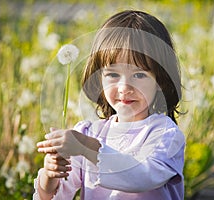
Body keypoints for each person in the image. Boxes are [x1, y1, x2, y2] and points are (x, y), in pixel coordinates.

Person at [33, 10, 185, 200]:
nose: (124, 87)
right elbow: (57, 196)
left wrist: (87, 147)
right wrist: (49, 178)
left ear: (160, 81)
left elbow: (143, 177)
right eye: (113, 75)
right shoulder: (89, 133)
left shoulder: (165, 135)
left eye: (139, 75)